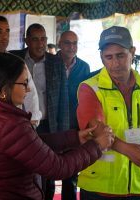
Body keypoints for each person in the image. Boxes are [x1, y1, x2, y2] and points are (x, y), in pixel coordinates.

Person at [0, 52, 114, 200]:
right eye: (24, 83)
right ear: (3, 90)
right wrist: (97, 146)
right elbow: (57, 167)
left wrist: (74, 138)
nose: (28, 89)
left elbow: (29, 145)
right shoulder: (10, 124)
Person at [77, 26, 140, 200]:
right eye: (108, 57)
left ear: (132, 52)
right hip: (100, 188)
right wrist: (128, 150)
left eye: (120, 55)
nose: (115, 63)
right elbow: (95, 129)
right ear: (101, 58)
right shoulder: (90, 88)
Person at [10, 23, 70, 199]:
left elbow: (63, 101)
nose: (40, 43)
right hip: (20, 126)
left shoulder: (56, 63)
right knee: (23, 170)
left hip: (47, 126)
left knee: (49, 172)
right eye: (35, 39)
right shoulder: (14, 59)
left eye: (43, 38)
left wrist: (63, 135)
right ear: (27, 40)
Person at [57, 30, 90, 199]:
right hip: (54, 125)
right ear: (59, 44)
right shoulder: (51, 63)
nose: (71, 47)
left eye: (74, 43)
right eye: (67, 43)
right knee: (49, 171)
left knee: (71, 172)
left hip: (75, 125)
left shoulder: (84, 67)